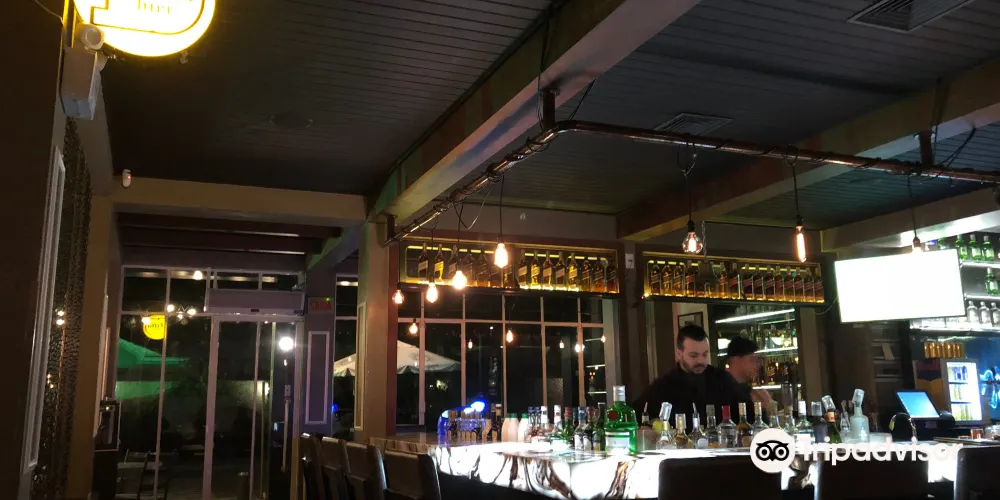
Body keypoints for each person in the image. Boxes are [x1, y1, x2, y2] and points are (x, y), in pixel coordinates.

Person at [632, 325, 748, 432]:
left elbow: (747, 414)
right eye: (694, 355)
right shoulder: (663, 386)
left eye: (705, 354)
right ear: (679, 354)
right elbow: (634, 416)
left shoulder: (722, 379)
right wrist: (650, 427)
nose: (701, 361)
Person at [725, 336, 772, 415]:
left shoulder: (750, 391)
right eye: (752, 360)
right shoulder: (723, 389)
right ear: (736, 360)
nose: (758, 365)